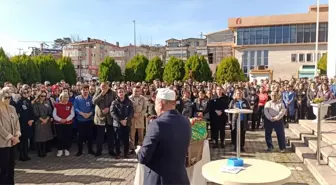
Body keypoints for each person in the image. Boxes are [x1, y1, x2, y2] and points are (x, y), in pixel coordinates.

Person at [136, 88, 191, 185]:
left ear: (160, 104)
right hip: (180, 178)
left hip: (160, 180)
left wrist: (139, 151)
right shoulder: (185, 121)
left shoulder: (157, 124)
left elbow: (143, 157)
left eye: (156, 104)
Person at [0, 89, 21, 185]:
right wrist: (11, 137)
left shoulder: (12, 108)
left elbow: (17, 122)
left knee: (11, 165)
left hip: (13, 142)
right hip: (2, 143)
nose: (8, 99)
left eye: (9, 97)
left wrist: (17, 135)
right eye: (6, 97)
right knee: (3, 167)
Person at [93, 82, 116, 157]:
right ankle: (99, 151)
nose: (103, 89)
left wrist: (109, 108)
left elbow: (116, 103)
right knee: (100, 136)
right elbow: (94, 101)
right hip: (100, 117)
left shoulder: (113, 93)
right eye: (102, 87)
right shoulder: (98, 92)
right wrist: (101, 94)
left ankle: (111, 150)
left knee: (111, 135)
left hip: (110, 117)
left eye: (105, 87)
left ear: (108, 87)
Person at [110, 87, 134, 159]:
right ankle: (118, 153)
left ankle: (126, 153)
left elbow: (131, 112)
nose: (121, 93)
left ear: (125, 93)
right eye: (119, 92)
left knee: (126, 139)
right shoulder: (114, 102)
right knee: (117, 140)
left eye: (122, 92)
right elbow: (112, 113)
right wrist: (120, 120)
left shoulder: (129, 102)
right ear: (117, 94)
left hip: (127, 123)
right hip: (117, 124)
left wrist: (126, 120)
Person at [74, 85, 95, 156]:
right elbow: (75, 108)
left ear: (88, 90)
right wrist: (82, 114)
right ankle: (79, 151)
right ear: (81, 91)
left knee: (90, 136)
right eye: (83, 90)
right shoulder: (77, 98)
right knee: (80, 136)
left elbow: (94, 108)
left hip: (89, 120)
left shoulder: (91, 98)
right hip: (80, 120)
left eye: (86, 90)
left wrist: (90, 114)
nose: (85, 91)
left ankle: (90, 150)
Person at [32, 90, 54, 157]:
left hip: (47, 121)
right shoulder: (35, 103)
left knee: (45, 137)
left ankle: (44, 151)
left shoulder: (47, 102)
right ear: (39, 96)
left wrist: (47, 119)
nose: (43, 97)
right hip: (39, 121)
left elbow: (50, 111)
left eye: (44, 96)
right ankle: (40, 152)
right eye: (42, 96)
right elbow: (35, 113)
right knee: (39, 137)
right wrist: (42, 120)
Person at [53, 92, 75, 157]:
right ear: (61, 97)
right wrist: (60, 120)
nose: (66, 98)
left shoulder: (70, 104)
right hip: (58, 124)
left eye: (67, 97)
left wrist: (66, 119)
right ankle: (60, 149)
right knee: (60, 137)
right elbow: (54, 114)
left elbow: (72, 114)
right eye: (64, 97)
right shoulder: (56, 105)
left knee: (67, 136)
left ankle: (66, 149)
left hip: (68, 123)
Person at [16, 88, 35, 161]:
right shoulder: (19, 102)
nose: (26, 94)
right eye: (24, 93)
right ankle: (22, 155)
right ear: (21, 93)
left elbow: (31, 111)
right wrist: (26, 121)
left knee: (26, 140)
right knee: (22, 140)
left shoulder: (28, 101)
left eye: (27, 92)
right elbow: (19, 114)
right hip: (22, 124)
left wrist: (31, 120)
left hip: (28, 124)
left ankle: (26, 154)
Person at [129, 86, 147, 153]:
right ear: (132, 91)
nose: (136, 92)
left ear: (140, 91)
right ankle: (132, 148)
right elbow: (127, 108)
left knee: (141, 134)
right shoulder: (129, 98)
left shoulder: (143, 99)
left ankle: (140, 147)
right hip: (132, 119)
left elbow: (145, 108)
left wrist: (140, 114)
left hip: (140, 118)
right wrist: (132, 114)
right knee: (132, 135)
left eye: (138, 91)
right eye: (135, 91)